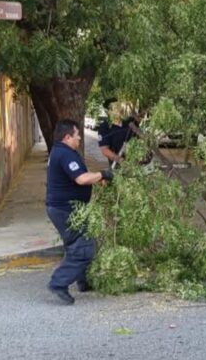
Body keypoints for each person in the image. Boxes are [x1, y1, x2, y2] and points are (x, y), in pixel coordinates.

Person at [46, 119, 113, 305]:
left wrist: (98, 179)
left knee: (77, 244)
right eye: (77, 135)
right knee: (83, 247)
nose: (79, 139)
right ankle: (58, 284)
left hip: (65, 208)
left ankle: (83, 282)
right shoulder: (65, 154)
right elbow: (81, 179)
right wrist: (103, 174)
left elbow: (79, 178)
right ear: (67, 137)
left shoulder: (62, 151)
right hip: (65, 209)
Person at [98, 101, 139, 167]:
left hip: (135, 164)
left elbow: (139, 138)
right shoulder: (105, 127)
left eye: (119, 107)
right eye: (115, 108)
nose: (119, 110)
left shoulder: (129, 123)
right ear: (109, 112)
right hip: (117, 167)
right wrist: (121, 161)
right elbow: (104, 150)